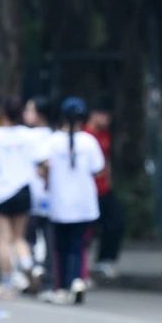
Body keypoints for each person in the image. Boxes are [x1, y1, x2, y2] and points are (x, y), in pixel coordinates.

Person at [36, 96, 104, 305]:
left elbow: (41, 168)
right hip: (84, 203)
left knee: (61, 248)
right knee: (78, 245)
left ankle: (62, 287)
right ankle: (77, 280)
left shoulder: (52, 141)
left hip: (60, 202)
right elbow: (98, 169)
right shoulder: (89, 141)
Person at [0, 96, 38, 298]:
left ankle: (6, 283)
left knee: (3, 240)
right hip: (23, 191)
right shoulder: (29, 136)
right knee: (19, 238)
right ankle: (28, 265)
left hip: (1, 193)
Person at [84, 106, 124, 279]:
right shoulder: (84, 136)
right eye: (104, 115)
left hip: (104, 189)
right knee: (87, 230)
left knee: (116, 221)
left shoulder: (105, 135)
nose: (107, 119)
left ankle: (105, 260)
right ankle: (82, 267)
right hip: (88, 190)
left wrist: (109, 180)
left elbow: (106, 161)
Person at [23, 96, 54, 280]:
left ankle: (32, 272)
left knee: (29, 237)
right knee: (44, 236)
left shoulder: (28, 136)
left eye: (30, 110)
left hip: (31, 194)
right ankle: (42, 271)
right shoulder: (53, 136)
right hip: (47, 196)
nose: (25, 114)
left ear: (40, 114)